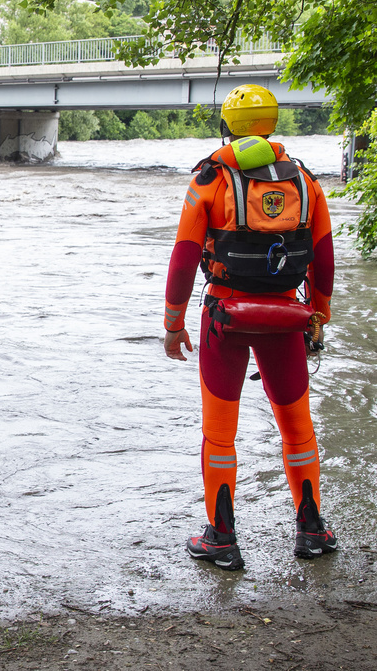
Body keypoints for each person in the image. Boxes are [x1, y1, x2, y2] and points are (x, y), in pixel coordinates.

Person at [163, 84, 337, 570]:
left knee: (220, 434)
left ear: (228, 125)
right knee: (297, 427)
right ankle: (311, 531)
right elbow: (323, 259)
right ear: (273, 124)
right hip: (286, 317)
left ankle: (222, 536)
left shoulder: (211, 179)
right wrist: (318, 318)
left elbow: (182, 260)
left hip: (225, 317)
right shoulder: (305, 181)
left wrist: (173, 323)